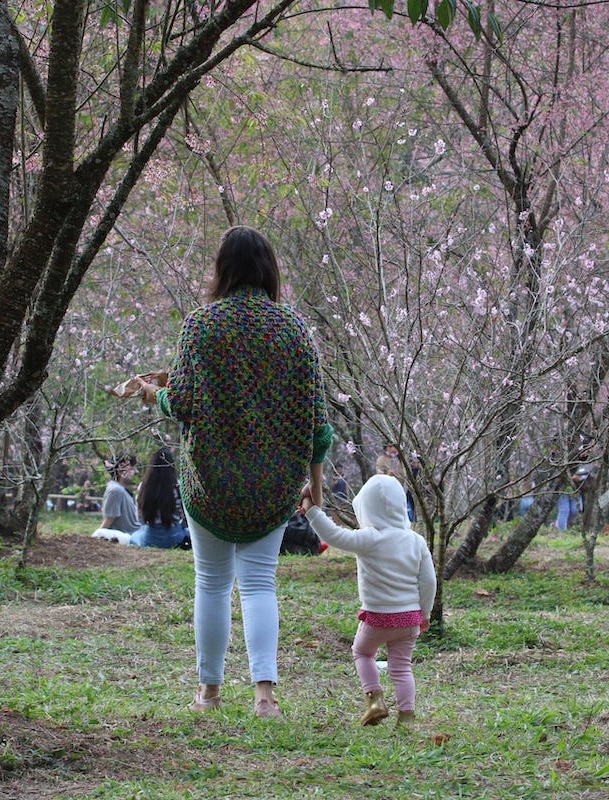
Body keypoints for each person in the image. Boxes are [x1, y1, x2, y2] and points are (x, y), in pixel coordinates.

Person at [133, 225, 333, 718]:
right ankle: (265, 697)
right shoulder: (293, 330)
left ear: (223, 268)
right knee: (261, 583)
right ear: (269, 269)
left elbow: (179, 402)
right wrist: (316, 486)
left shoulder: (201, 326)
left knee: (212, 583)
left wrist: (148, 393)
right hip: (273, 483)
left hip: (212, 482)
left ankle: (209, 693)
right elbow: (317, 423)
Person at [302, 474, 436, 727]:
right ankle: (406, 718)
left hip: (377, 618)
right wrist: (425, 614)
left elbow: (334, 535)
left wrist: (311, 511)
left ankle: (375, 700)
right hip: (409, 619)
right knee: (402, 667)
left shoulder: (370, 538)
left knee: (362, 652)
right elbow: (429, 582)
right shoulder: (416, 541)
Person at [130, 446, 190, 549]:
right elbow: (185, 517)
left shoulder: (143, 487)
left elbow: (140, 520)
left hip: (149, 537)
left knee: (134, 537)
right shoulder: (178, 487)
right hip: (174, 537)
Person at [99, 454, 140, 535]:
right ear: (120, 471)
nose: (136, 472)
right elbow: (108, 521)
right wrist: (94, 539)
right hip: (129, 537)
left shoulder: (121, 490)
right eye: (132, 468)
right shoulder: (115, 490)